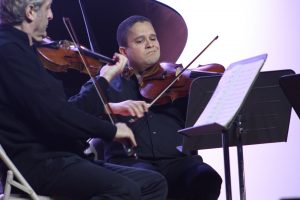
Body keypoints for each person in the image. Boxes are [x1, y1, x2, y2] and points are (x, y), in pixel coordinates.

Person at [0, 1, 168, 199]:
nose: (51, 15)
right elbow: (55, 116)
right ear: (30, 12)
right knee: (124, 190)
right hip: (40, 163)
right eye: (48, 8)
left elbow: (66, 109)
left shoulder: (23, 50)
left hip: (63, 156)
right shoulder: (9, 51)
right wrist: (111, 130)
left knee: (153, 183)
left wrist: (105, 77)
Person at [70, 15, 222, 200]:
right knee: (148, 181)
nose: (151, 44)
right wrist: (108, 97)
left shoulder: (177, 79)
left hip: (178, 161)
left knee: (206, 178)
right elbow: (73, 112)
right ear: (123, 51)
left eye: (153, 38)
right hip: (131, 163)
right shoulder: (108, 82)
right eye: (140, 41)